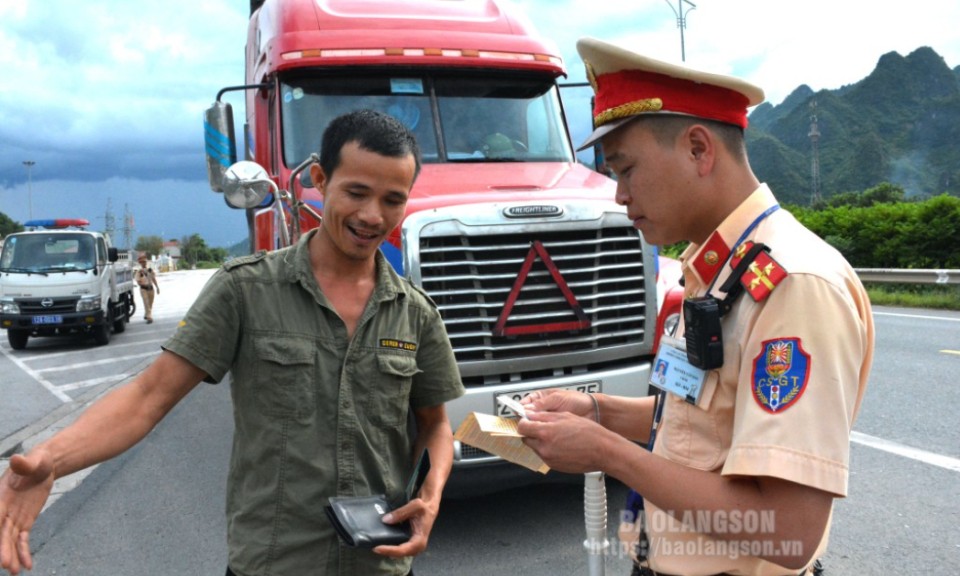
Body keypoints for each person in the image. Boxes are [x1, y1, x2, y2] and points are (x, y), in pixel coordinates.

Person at [0, 109, 465, 576]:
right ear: (320, 181)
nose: (372, 216)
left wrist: (431, 493)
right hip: (273, 564)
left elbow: (435, 424)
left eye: (392, 200)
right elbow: (148, 397)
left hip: (378, 564)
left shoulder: (415, 313)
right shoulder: (245, 290)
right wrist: (50, 459)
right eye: (357, 193)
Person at [517, 38, 874, 576]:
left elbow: (787, 529)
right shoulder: (715, 267)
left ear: (699, 150)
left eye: (626, 169)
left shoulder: (793, 284)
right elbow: (698, 420)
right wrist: (598, 413)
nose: (619, 195)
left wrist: (608, 453)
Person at [135, 255, 160, 323]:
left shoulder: (150, 270)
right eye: (142, 262)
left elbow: (153, 278)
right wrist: (143, 284)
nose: (144, 263)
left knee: (150, 303)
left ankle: (147, 314)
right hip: (144, 289)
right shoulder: (139, 271)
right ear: (140, 263)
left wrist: (157, 287)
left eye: (145, 262)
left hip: (151, 289)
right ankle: (149, 317)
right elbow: (138, 281)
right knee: (146, 302)